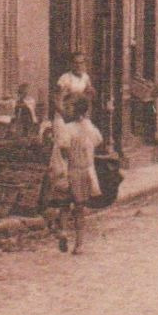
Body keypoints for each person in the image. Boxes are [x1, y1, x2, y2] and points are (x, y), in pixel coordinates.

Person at [49, 96, 102, 254]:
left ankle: (63, 231)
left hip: (70, 170)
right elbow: (98, 140)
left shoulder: (68, 128)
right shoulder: (90, 127)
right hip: (85, 170)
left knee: (64, 204)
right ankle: (79, 245)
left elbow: (63, 148)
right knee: (80, 209)